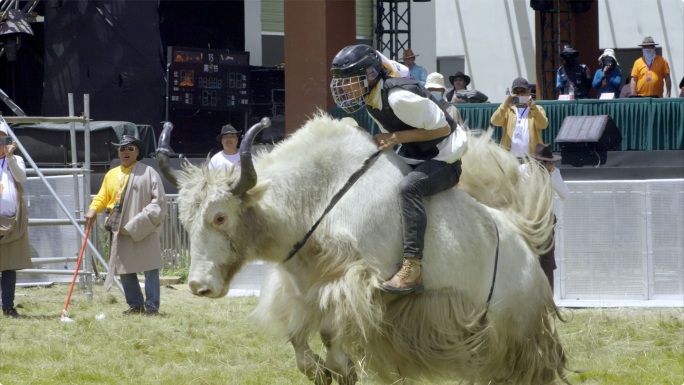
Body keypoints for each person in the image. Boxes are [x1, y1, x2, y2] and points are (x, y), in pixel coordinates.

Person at [330, 44, 467, 295]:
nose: (345, 87)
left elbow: (443, 130)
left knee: (409, 188)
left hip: (444, 159)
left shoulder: (398, 97)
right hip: (416, 154)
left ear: (371, 75)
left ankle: (412, 269)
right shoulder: (372, 95)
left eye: (350, 81)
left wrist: (394, 137)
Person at [85, 135, 166, 316]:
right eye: (122, 149)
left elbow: (159, 201)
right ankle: (135, 305)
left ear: (138, 152)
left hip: (144, 226)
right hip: (119, 227)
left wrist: (142, 220)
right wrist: (93, 209)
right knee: (124, 268)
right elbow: (101, 197)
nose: (125, 152)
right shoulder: (111, 174)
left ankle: (152, 307)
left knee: (150, 267)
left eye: (130, 148)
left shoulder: (148, 172)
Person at [519, 144, 569, 292]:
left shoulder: (525, 170)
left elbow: (565, 194)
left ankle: (542, 299)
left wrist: (553, 175)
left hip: (536, 221)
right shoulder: (524, 171)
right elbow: (565, 194)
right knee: (535, 261)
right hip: (532, 221)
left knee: (540, 261)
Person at [0, 120, 31, 318]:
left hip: (10, 220)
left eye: (2, 137)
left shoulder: (16, 159)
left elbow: (21, 178)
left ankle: (8, 306)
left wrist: (10, 157)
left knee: (9, 267)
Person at [490, 77, 549, 157]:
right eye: (516, 92)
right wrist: (505, 105)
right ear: (512, 93)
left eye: (523, 91)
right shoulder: (508, 109)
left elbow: (543, 125)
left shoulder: (538, 109)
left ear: (529, 91)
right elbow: (494, 121)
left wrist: (534, 108)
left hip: (532, 159)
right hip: (510, 159)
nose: (520, 94)